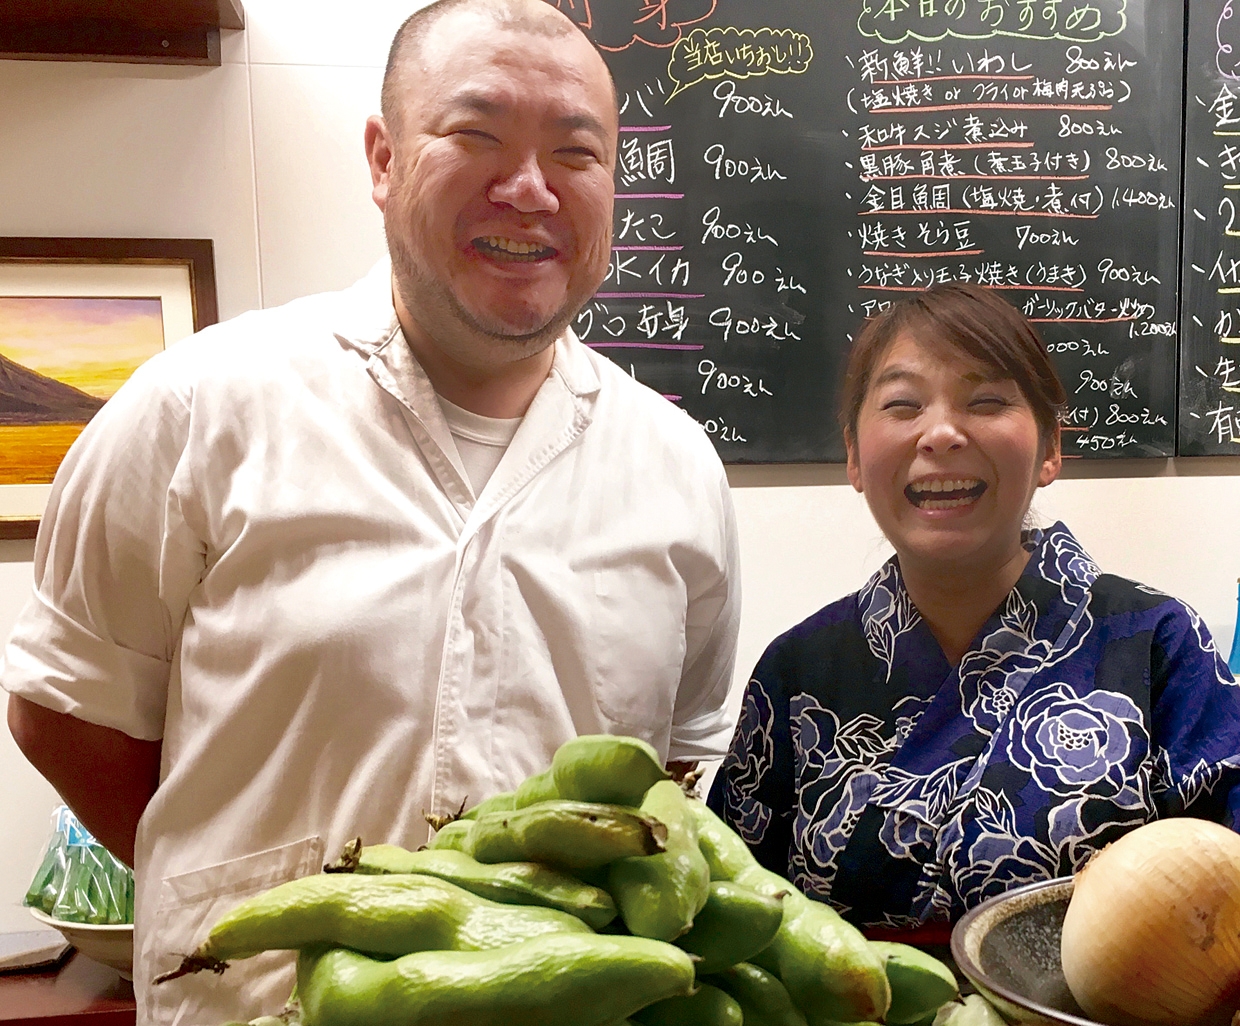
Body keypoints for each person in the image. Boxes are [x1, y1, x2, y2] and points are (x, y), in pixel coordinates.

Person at [1, 1, 740, 1022]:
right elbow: (65, 714)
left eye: (576, 151)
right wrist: (232, 883)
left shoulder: (676, 468)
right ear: (384, 159)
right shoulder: (197, 409)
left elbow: (664, 766)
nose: (528, 188)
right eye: (475, 135)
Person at [709, 282, 1240, 933]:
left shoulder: (1154, 644)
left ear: (1050, 448)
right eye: (902, 404)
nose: (941, 432)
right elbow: (728, 911)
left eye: (986, 401)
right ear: (852, 454)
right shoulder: (798, 672)